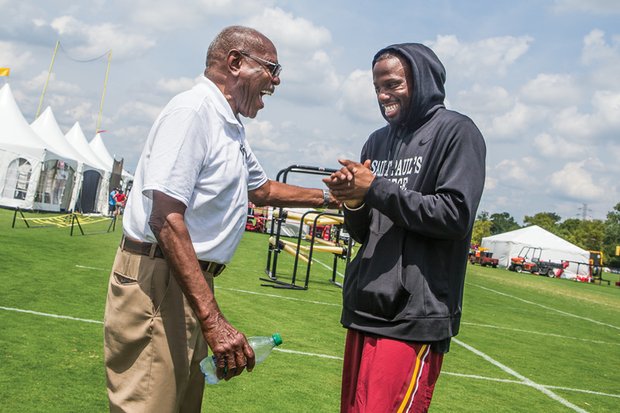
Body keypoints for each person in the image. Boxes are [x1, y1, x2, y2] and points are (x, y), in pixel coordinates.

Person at [103, 25, 336, 413]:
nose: (276, 81)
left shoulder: (227, 122)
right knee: (149, 405)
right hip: (159, 279)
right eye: (272, 69)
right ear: (235, 63)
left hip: (184, 278)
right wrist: (214, 321)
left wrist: (332, 199)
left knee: (178, 404)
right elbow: (165, 218)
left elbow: (261, 190)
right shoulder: (193, 112)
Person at [324, 43, 486, 412]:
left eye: (393, 84)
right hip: (366, 307)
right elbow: (366, 232)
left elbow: (455, 216)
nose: (383, 96)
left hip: (414, 317)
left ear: (422, 80)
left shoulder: (457, 132)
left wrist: (375, 187)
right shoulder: (377, 141)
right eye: (378, 87)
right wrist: (353, 199)